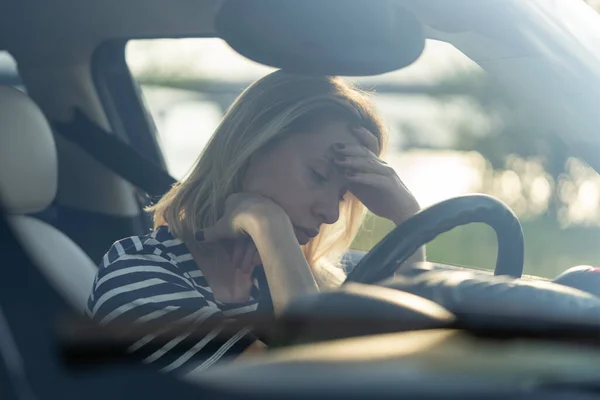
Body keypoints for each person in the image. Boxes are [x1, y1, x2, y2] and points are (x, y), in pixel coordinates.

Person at [86, 70, 423, 376]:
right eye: (318, 175)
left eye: (342, 195)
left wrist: (408, 217)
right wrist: (267, 222)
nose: (331, 214)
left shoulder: (296, 277)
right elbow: (314, 382)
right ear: (251, 149)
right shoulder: (138, 279)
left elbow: (411, 360)